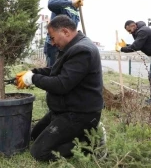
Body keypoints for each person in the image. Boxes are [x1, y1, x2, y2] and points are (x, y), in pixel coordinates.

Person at [16, 15, 104, 162]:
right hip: (64, 109)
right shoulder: (72, 47)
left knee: (39, 152)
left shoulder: (82, 51)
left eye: (52, 37)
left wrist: (32, 79)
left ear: (65, 32)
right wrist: (33, 72)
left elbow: (61, 85)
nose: (52, 42)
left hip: (79, 114)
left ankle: (89, 144)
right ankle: (80, 135)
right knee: (34, 135)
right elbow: (55, 71)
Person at [115, 20, 151, 102]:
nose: (129, 33)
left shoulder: (143, 31)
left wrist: (121, 49)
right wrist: (125, 45)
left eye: (129, 30)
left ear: (133, 26)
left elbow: (136, 46)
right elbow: (138, 44)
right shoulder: (139, 31)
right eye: (128, 31)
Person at [44, 0, 84, 67]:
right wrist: (71, 2)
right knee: (52, 70)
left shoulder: (76, 11)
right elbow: (50, 3)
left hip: (66, 47)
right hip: (54, 45)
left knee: (62, 71)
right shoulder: (64, 4)